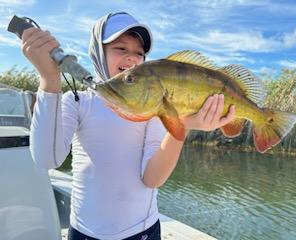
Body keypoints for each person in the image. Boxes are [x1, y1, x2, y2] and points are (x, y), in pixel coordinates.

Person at [21, 12, 236, 240]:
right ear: (98, 52)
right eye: (121, 49)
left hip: (144, 232)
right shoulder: (77, 101)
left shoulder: (154, 108)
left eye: (139, 53)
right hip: (84, 233)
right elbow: (46, 159)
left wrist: (182, 126)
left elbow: (152, 179)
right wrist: (49, 79)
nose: (132, 58)